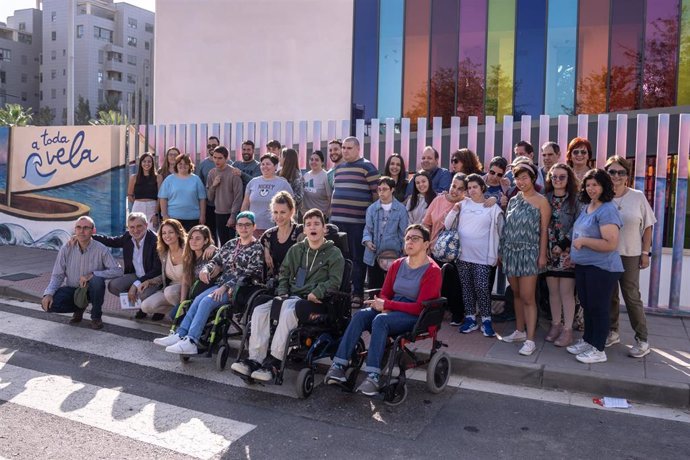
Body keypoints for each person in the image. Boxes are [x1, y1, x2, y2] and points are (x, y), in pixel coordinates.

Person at [325, 224, 442, 396]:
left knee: (380, 320)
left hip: (415, 315)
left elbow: (419, 308)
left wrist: (387, 306)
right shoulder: (397, 264)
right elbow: (386, 293)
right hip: (392, 309)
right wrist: (383, 303)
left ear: (426, 244)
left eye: (415, 238)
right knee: (361, 316)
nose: (410, 241)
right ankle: (338, 366)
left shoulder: (433, 271)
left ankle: (373, 376)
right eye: (407, 238)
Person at [231, 209, 344, 381]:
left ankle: (274, 362)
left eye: (316, 224)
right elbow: (283, 273)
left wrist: (318, 292)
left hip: (316, 302)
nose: (312, 227)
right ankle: (255, 358)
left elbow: (334, 281)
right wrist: (282, 291)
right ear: (304, 229)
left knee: (288, 309)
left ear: (324, 228)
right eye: (308, 224)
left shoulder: (334, 253)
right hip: (291, 296)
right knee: (261, 307)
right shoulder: (296, 250)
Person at [154, 212, 264, 354]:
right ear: (236, 227)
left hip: (238, 290)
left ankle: (192, 341)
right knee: (197, 300)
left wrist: (225, 287)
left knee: (206, 302)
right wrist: (205, 270)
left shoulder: (256, 248)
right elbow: (215, 261)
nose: (243, 228)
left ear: (254, 226)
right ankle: (180, 335)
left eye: (247, 225)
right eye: (240, 225)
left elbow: (249, 273)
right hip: (219, 285)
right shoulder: (231, 244)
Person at [567, 169, 624, 364]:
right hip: (584, 265)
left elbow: (611, 243)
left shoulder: (607, 208)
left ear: (604, 186)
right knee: (588, 306)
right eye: (588, 184)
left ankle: (599, 349)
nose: (591, 188)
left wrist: (583, 241)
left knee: (598, 308)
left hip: (602, 268)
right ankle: (588, 340)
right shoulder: (589, 206)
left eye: (596, 184)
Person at [605, 156, 655, 358]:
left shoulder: (637, 196)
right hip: (606, 254)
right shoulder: (602, 197)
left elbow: (648, 226)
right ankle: (613, 331)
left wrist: (645, 253)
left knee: (632, 296)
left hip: (630, 254)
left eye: (621, 172)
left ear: (627, 175)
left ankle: (642, 339)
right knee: (610, 296)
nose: (616, 176)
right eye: (612, 172)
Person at [499, 162, 550, 356]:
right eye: (517, 178)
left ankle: (530, 339)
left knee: (529, 297)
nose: (521, 182)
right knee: (517, 293)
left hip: (530, 253)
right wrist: (501, 251)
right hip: (511, 252)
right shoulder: (513, 200)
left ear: (532, 178)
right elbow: (507, 227)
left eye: (524, 178)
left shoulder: (541, 201)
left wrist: (542, 255)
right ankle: (519, 332)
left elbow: (544, 230)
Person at [41, 217, 123, 330]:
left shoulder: (101, 249)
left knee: (97, 280)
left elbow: (118, 270)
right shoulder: (66, 248)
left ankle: (96, 316)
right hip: (73, 290)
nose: (81, 231)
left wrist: (94, 274)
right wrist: (48, 294)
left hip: (92, 291)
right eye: (78, 227)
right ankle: (78, 308)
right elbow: (57, 275)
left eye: (86, 228)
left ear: (93, 231)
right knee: (48, 304)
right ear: (75, 230)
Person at [449, 174, 503, 338]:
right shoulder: (462, 204)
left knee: (481, 289)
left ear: (482, 188)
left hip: (483, 258)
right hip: (463, 257)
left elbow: (501, 230)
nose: (472, 190)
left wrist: (499, 253)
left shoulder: (492, 206)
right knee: (466, 289)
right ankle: (470, 318)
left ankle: (486, 321)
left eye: (475, 187)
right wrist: (454, 211)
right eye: (469, 187)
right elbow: (447, 224)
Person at [330, 136, 380, 308]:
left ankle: (357, 294)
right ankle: (343, 293)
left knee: (358, 259)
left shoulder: (368, 167)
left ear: (358, 149)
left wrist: (371, 222)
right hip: (337, 223)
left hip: (358, 223)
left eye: (349, 148)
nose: (345, 151)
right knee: (340, 259)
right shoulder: (339, 168)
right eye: (343, 147)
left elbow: (376, 197)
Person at [91, 212, 162, 320]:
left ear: (146, 225)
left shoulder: (155, 241)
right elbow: (111, 241)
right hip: (136, 274)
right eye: (132, 227)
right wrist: (88, 236)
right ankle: (141, 306)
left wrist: (135, 286)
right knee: (113, 285)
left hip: (153, 278)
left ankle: (158, 308)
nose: (135, 230)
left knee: (142, 293)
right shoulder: (128, 237)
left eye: (139, 226)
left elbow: (157, 270)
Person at [543, 163, 582, 347]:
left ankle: (568, 330)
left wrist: (563, 244)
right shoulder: (545, 198)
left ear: (569, 179)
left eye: (562, 177)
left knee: (566, 292)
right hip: (549, 250)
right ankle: (555, 325)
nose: (557, 180)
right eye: (554, 176)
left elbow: (579, 224)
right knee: (553, 292)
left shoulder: (576, 200)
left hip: (567, 251)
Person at [363, 177, 409, 290]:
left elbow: (404, 232)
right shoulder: (372, 209)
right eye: (379, 189)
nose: (381, 192)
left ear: (392, 189)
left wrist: (403, 249)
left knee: (394, 286)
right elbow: (368, 229)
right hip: (374, 253)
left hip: (394, 254)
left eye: (385, 189)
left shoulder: (401, 209)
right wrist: (367, 241)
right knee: (374, 286)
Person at [139, 219, 187, 318]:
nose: (167, 236)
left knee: (170, 292)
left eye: (171, 232)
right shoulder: (164, 253)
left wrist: (211, 248)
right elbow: (165, 275)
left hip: (186, 289)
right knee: (146, 306)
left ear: (178, 234)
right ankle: (179, 313)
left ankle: (184, 313)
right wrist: (150, 281)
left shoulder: (188, 251)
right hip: (170, 289)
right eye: (164, 233)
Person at [241, 152, 294, 237]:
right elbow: (245, 204)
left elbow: (291, 207)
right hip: (253, 228)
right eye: (262, 164)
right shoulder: (253, 182)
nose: (265, 167)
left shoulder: (283, 183)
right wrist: (243, 222)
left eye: (268, 164)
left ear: (275, 166)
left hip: (275, 228)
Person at [159, 153, 207, 232]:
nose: (183, 166)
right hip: (173, 218)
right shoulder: (169, 179)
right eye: (180, 163)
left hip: (193, 219)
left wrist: (202, 215)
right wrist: (164, 215)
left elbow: (202, 199)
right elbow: (163, 198)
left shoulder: (196, 179)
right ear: (176, 165)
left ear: (190, 165)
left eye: (186, 164)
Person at [206, 146, 244, 245]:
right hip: (218, 213)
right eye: (215, 157)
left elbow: (238, 197)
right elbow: (210, 198)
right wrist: (214, 186)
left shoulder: (233, 173)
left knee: (234, 244)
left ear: (226, 158)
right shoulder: (212, 173)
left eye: (220, 158)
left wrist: (233, 216)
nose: (216, 160)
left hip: (232, 214)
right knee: (222, 244)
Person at [261, 191, 302, 281]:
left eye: (283, 212)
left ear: (292, 211)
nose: (278, 216)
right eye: (275, 212)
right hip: (273, 285)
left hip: (297, 283)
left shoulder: (301, 231)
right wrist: (266, 250)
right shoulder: (268, 236)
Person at [422, 173, 466, 247]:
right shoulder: (438, 200)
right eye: (453, 186)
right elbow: (426, 224)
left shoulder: (467, 203)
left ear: (465, 191)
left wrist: (492, 199)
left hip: (458, 253)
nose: (455, 191)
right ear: (450, 185)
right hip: (434, 249)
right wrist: (426, 245)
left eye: (460, 189)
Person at [178, 225, 215, 308]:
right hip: (192, 297)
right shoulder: (188, 257)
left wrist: (214, 247)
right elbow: (185, 283)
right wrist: (182, 302)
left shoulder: (210, 253)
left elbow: (223, 256)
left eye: (198, 238)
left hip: (207, 297)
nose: (193, 241)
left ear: (206, 240)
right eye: (191, 238)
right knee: (174, 315)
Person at [197, 136, 221, 240]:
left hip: (223, 206)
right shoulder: (203, 164)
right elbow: (198, 185)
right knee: (210, 235)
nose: (211, 147)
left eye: (214, 145)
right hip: (208, 205)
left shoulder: (228, 163)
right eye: (209, 145)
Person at [127, 152, 159, 230]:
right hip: (138, 207)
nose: (146, 163)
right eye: (144, 161)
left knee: (152, 232)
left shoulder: (158, 177)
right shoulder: (134, 177)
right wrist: (138, 203)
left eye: (149, 161)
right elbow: (130, 195)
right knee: (137, 230)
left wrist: (156, 214)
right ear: (141, 163)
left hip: (152, 207)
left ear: (152, 163)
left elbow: (160, 197)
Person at [302, 150, 332, 218]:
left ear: (322, 162)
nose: (313, 162)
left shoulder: (325, 176)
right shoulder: (306, 175)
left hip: (321, 216)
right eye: (311, 159)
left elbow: (330, 198)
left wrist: (327, 215)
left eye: (316, 160)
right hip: (307, 215)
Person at [278, 148, 305, 212]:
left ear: (286, 158)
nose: (279, 158)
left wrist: (283, 198)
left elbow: (299, 197)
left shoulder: (297, 175)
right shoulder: (278, 173)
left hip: (290, 212)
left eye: (281, 156)